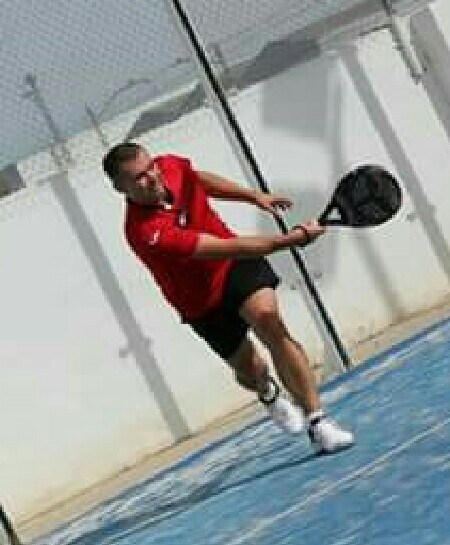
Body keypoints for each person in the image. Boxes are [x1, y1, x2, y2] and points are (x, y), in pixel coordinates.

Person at [102, 142, 354, 453]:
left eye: (151, 166)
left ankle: (318, 422)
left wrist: (253, 196)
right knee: (251, 371)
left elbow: (198, 180)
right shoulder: (146, 233)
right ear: (120, 187)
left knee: (270, 324)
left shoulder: (170, 166)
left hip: (235, 267)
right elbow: (228, 247)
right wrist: (293, 239)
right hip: (201, 302)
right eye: (139, 177)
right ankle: (267, 392)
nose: (152, 176)